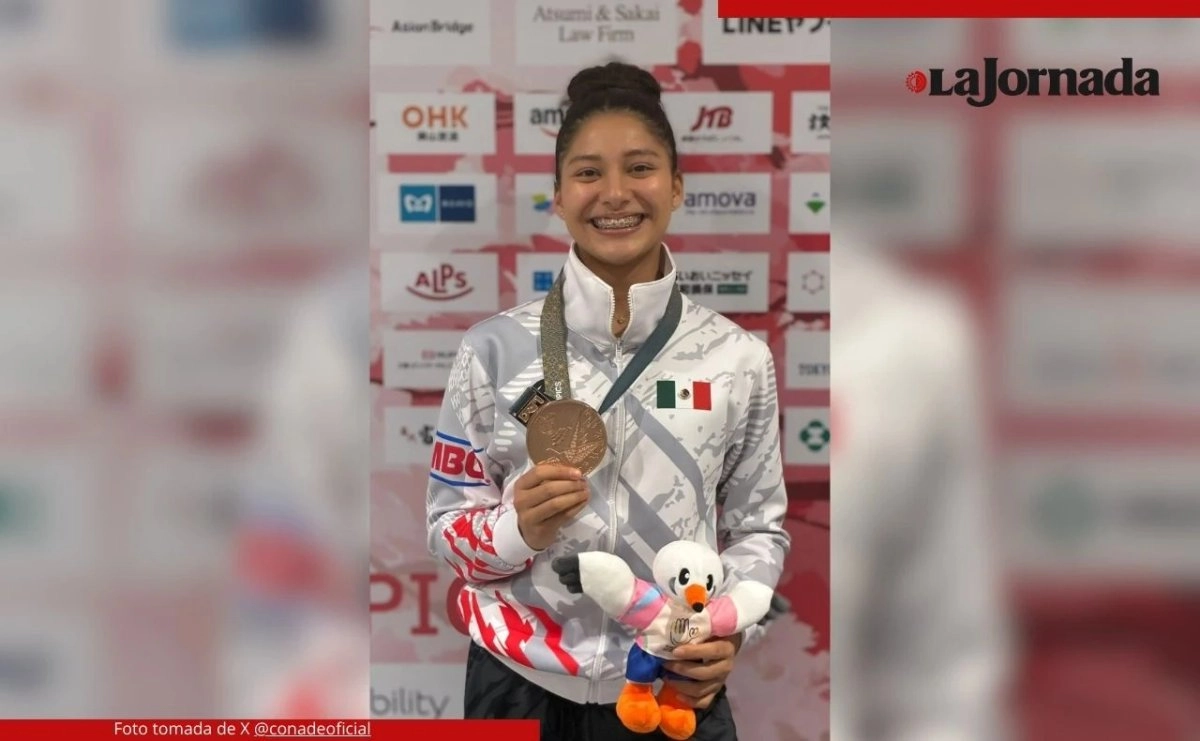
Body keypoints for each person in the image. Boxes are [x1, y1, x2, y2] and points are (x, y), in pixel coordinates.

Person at [424, 62, 791, 740]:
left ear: (677, 186)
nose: (615, 193)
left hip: (671, 688)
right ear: (558, 196)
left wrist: (726, 629)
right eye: (589, 173)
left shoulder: (737, 358)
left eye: (641, 168)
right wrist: (516, 529)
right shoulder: (494, 350)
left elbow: (761, 529)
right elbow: (448, 528)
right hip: (517, 688)